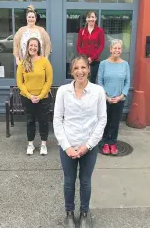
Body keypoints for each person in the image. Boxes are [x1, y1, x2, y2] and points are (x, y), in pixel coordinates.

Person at [53, 55, 107, 228]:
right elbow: (57, 120)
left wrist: (88, 145)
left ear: (89, 69)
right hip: (68, 145)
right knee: (69, 181)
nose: (80, 71)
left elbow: (102, 120)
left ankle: (84, 212)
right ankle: (69, 213)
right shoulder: (63, 91)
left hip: (89, 146)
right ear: (72, 71)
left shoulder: (98, 91)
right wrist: (66, 146)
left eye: (83, 67)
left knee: (85, 180)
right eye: (76, 68)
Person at [17, 37, 53, 155]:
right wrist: (29, 95)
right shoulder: (23, 63)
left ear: (38, 48)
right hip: (27, 98)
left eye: (35, 46)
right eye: (31, 45)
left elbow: (49, 81)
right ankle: (30, 144)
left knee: (43, 121)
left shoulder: (44, 61)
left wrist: (41, 95)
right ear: (27, 47)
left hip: (43, 98)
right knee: (30, 121)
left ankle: (43, 144)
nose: (33, 47)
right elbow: (20, 83)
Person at [98, 39, 130, 155]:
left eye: (119, 48)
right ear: (110, 49)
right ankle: (105, 143)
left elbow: (127, 82)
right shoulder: (103, 64)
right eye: (115, 48)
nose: (117, 50)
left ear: (121, 50)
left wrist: (121, 96)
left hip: (119, 99)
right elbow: (100, 82)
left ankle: (113, 143)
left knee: (115, 123)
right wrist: (106, 97)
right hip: (105, 99)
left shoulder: (125, 64)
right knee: (105, 122)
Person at [76, 11, 105, 84]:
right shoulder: (82, 31)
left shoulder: (99, 31)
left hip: (95, 61)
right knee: (83, 78)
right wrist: (84, 57)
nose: (90, 19)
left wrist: (92, 58)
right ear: (86, 19)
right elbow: (78, 45)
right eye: (89, 17)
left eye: (92, 17)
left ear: (95, 18)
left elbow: (101, 45)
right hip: (84, 60)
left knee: (92, 80)